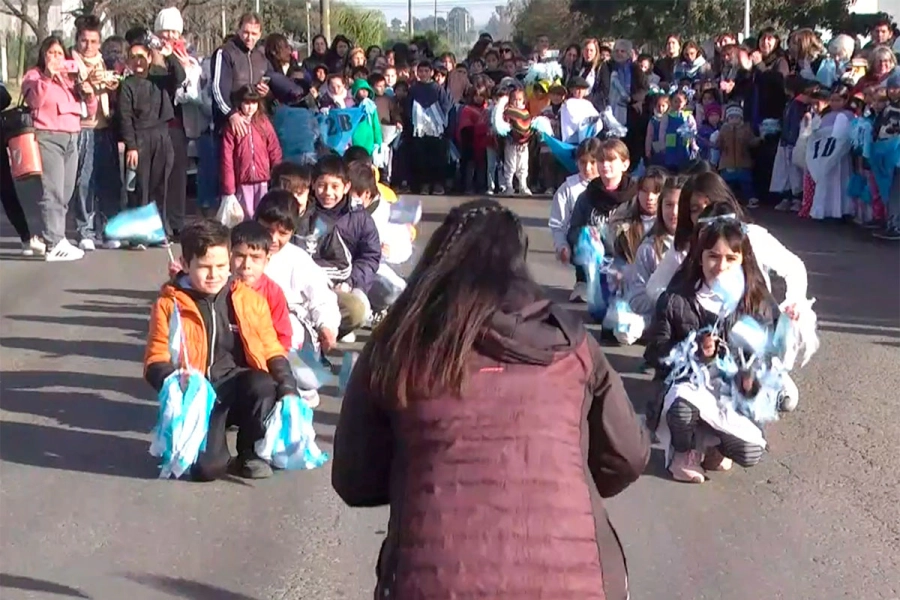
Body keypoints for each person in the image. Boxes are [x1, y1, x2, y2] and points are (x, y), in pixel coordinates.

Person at [332, 199, 649, 600]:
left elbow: (354, 479)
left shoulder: (398, 342)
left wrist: (418, 475)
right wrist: (564, 477)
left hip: (433, 581)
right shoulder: (572, 345)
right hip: (575, 582)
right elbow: (628, 455)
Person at [143, 219, 301, 481]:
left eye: (221, 266)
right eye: (204, 267)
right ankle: (209, 444)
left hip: (237, 385)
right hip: (199, 396)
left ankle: (250, 452)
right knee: (207, 470)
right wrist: (173, 379)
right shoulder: (169, 304)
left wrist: (288, 387)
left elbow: (272, 348)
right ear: (185, 264)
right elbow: (155, 357)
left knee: (264, 383)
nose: (214, 275)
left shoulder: (250, 299)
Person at [644, 205, 777, 483]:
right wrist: (693, 352)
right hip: (685, 387)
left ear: (743, 259)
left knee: (751, 453)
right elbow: (655, 353)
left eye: (731, 258)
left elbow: (767, 357)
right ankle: (683, 452)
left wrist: (751, 378)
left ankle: (714, 446)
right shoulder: (675, 299)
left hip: (729, 394)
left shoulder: (756, 302)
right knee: (682, 407)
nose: (721, 266)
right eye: (713, 256)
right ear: (700, 257)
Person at [21, 35, 84, 261]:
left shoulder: (68, 79)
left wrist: (87, 89)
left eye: (59, 53)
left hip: (72, 136)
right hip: (48, 136)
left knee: (65, 191)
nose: (56, 58)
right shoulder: (34, 76)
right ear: (43, 55)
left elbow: (87, 106)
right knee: (52, 190)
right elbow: (34, 101)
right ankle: (53, 242)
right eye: (51, 53)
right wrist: (47, 76)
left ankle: (58, 236)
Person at [118, 37, 186, 241]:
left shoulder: (160, 80)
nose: (137, 61)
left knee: (161, 186)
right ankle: (138, 234)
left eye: (141, 56)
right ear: (128, 61)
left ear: (149, 57)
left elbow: (180, 76)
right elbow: (125, 118)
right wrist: (131, 146)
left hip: (162, 136)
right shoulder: (127, 85)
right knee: (140, 187)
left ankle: (159, 230)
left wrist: (169, 55)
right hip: (139, 138)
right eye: (133, 57)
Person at [311, 155, 382, 341]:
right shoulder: (304, 212)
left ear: (346, 187)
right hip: (309, 283)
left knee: (360, 310)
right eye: (322, 185)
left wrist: (350, 282)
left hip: (345, 284)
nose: (328, 192)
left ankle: (334, 331)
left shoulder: (360, 218)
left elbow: (370, 256)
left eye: (335, 186)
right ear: (312, 184)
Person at [220, 85, 282, 219]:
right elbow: (227, 158)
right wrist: (229, 188)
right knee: (245, 216)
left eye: (254, 103)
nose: (250, 107)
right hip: (243, 181)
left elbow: (274, 149)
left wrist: (276, 176)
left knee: (263, 215)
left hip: (263, 180)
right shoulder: (233, 126)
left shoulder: (263, 122)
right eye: (247, 103)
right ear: (240, 103)